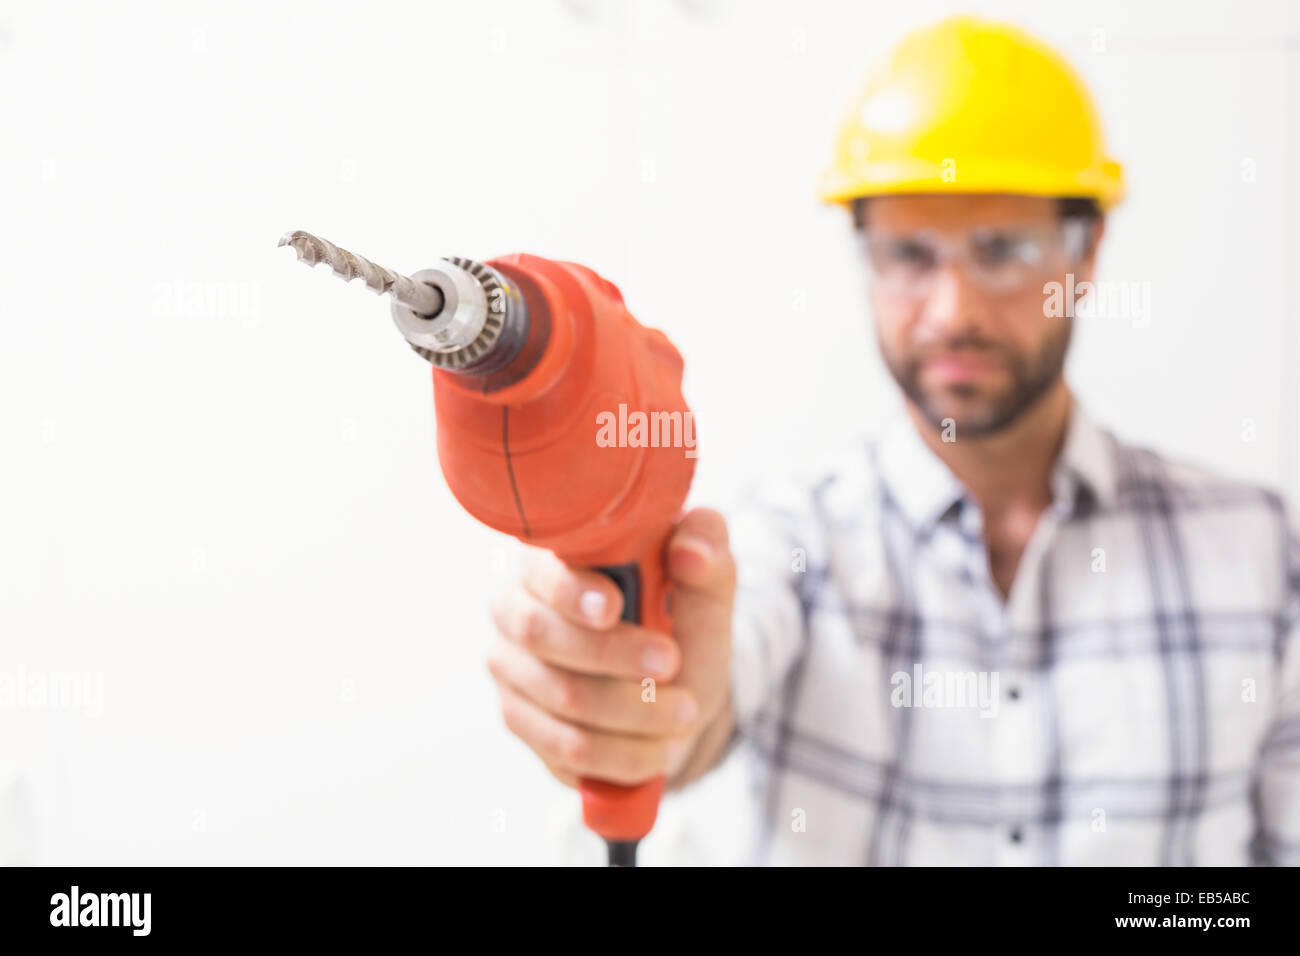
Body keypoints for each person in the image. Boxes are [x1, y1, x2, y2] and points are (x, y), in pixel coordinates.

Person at [484, 15, 1300, 865]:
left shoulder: (1264, 555)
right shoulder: (791, 537)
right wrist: (635, 700)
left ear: (1086, 254)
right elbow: (696, 700)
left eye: (1004, 250)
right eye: (908, 254)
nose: (953, 310)